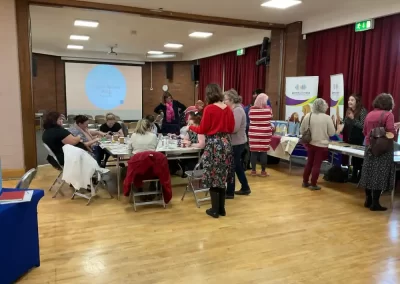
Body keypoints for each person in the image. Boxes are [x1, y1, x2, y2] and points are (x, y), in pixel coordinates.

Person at [189, 83, 234, 218]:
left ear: (209, 94)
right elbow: (231, 129)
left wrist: (191, 127)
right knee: (222, 176)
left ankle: (214, 210)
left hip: (214, 145)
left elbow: (202, 129)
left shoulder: (209, 109)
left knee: (213, 176)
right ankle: (222, 209)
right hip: (226, 144)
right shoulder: (228, 109)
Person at [359, 93, 397, 211]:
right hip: (382, 149)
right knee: (379, 174)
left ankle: (368, 199)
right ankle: (375, 203)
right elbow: (391, 134)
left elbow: (365, 131)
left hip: (369, 146)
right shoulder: (388, 115)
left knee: (368, 172)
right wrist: (395, 129)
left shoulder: (369, 114)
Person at [300, 98, 336, 190]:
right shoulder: (327, 118)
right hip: (321, 145)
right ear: (324, 106)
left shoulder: (308, 115)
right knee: (317, 164)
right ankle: (313, 184)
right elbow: (332, 133)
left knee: (309, 163)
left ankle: (305, 181)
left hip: (310, 143)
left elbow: (301, 130)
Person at [223, 89, 251, 199]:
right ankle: (245, 187)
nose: (224, 102)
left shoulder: (238, 110)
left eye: (225, 100)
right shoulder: (234, 109)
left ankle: (230, 192)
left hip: (237, 143)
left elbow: (234, 128)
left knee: (231, 167)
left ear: (231, 99)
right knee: (237, 166)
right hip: (236, 142)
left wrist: (222, 128)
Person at [337, 94, 367, 183]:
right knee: (353, 158)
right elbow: (345, 123)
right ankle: (353, 175)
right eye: (349, 100)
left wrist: (353, 118)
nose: (349, 102)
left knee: (359, 158)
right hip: (351, 137)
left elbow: (363, 126)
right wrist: (340, 123)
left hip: (360, 138)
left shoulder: (362, 111)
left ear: (357, 102)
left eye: (352, 100)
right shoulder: (349, 110)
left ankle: (360, 177)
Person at [247, 93, 273, 179]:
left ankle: (253, 170)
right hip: (265, 134)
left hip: (253, 134)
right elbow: (271, 117)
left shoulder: (251, 109)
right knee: (263, 153)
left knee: (253, 153)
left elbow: (249, 117)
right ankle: (263, 171)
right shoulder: (268, 109)